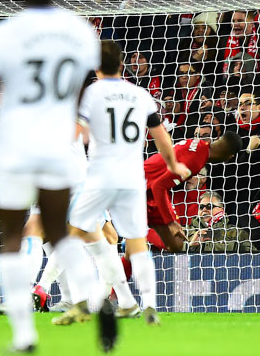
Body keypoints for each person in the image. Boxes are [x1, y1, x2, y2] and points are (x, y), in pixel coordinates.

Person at [0, 0, 106, 353]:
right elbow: (75, 93)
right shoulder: (80, 33)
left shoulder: (3, 33)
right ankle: (98, 300)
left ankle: (24, 335)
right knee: (59, 234)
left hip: (14, 146)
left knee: (12, 238)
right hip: (58, 145)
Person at [66, 40, 191, 326]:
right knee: (137, 242)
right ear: (122, 64)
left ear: (96, 66)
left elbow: (78, 133)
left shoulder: (91, 94)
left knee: (72, 235)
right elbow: (160, 136)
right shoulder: (141, 95)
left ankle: (81, 303)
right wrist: (173, 164)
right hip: (133, 178)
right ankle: (148, 307)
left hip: (100, 177)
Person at [145, 132, 243, 253]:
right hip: (141, 189)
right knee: (172, 243)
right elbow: (158, 186)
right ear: (229, 156)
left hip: (145, 185)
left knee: (175, 244)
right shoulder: (195, 162)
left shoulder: (198, 144)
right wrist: (170, 222)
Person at [185, 191, 252, 252]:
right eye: (201, 207)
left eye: (209, 206)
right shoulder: (185, 231)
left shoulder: (237, 234)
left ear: (221, 209)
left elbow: (252, 259)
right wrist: (191, 246)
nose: (204, 209)